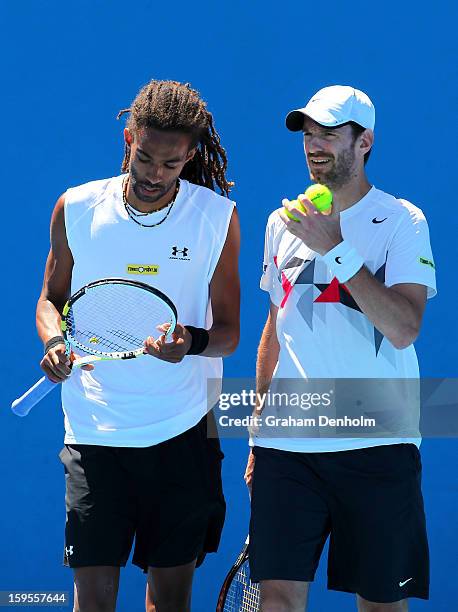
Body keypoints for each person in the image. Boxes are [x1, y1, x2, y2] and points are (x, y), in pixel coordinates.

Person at [37, 79, 240, 612]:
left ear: (190, 155)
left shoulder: (217, 219)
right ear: (128, 137)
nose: (154, 174)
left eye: (170, 164)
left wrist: (188, 342)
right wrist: (57, 339)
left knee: (170, 603)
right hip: (95, 434)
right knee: (93, 603)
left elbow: (229, 335)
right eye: (144, 156)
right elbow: (49, 300)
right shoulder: (76, 207)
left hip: (182, 434)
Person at [245, 85, 436, 611]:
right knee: (277, 599)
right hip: (288, 450)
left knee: (379, 605)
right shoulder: (280, 224)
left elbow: (404, 327)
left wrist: (335, 246)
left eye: (328, 132)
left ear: (365, 141)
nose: (314, 144)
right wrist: (258, 434)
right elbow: (274, 329)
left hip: (377, 448)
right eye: (308, 133)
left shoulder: (403, 221)